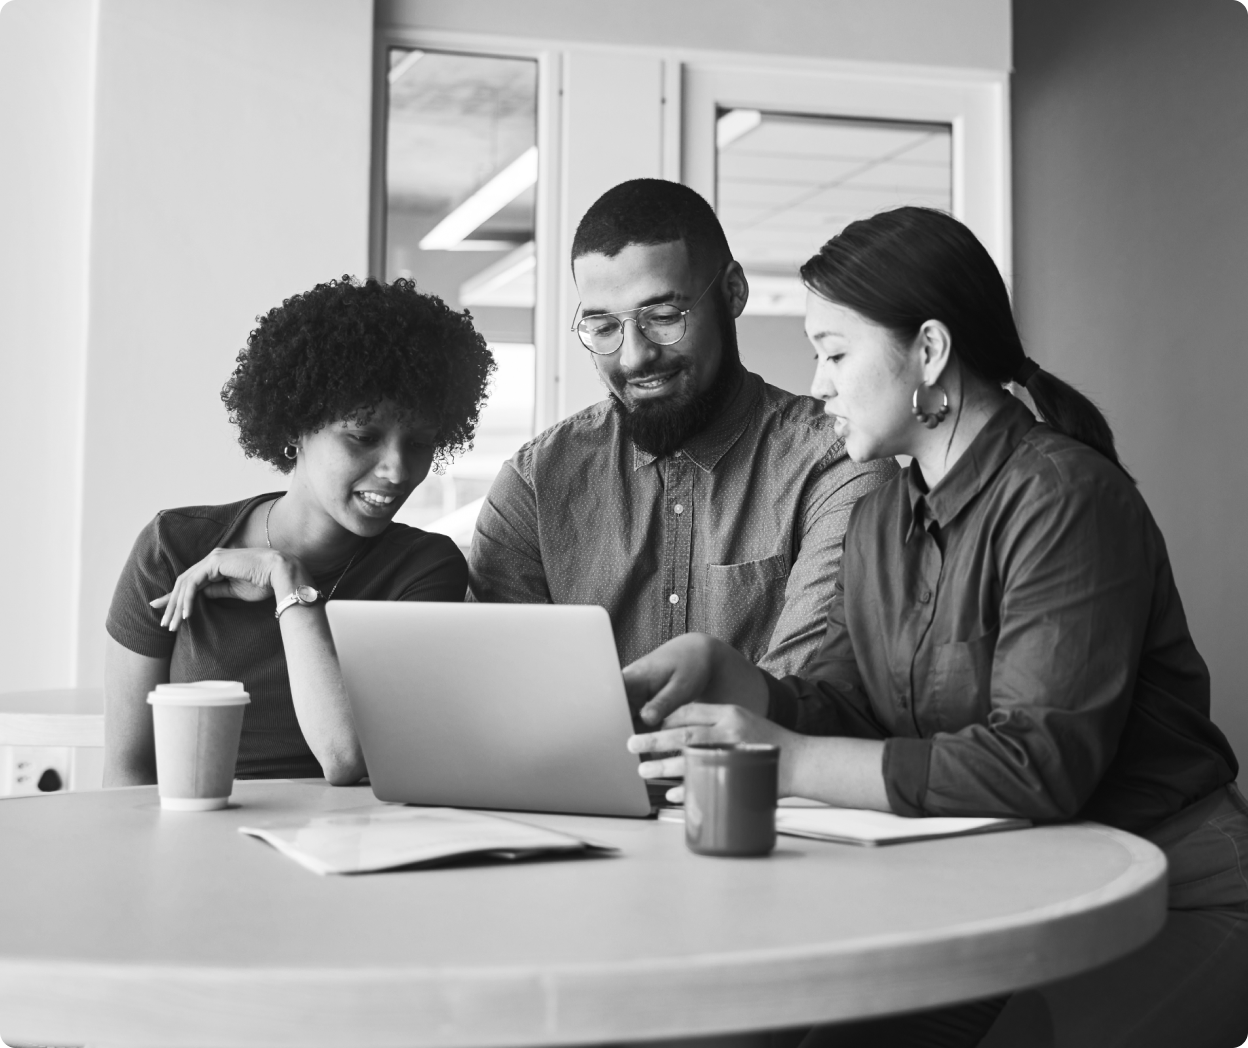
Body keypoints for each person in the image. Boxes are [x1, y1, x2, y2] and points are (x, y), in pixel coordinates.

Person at [624, 208, 1248, 1047]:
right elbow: (871, 719)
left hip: (1168, 892)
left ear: (928, 351)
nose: (817, 383)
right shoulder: (883, 510)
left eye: (835, 353)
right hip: (1006, 896)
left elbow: (1037, 767)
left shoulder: (1064, 499)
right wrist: (748, 687)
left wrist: (789, 759)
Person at [469, 179, 896, 682]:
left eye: (664, 316)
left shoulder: (837, 462)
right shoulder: (535, 484)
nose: (634, 356)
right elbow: (504, 697)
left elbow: (802, 698)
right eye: (604, 327)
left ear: (733, 291)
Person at [103, 276, 494, 787]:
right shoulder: (174, 548)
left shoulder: (424, 569)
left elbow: (346, 757)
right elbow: (128, 768)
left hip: (348, 847)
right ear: (295, 427)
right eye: (363, 437)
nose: (398, 470)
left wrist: (287, 584)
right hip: (196, 842)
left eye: (419, 443)